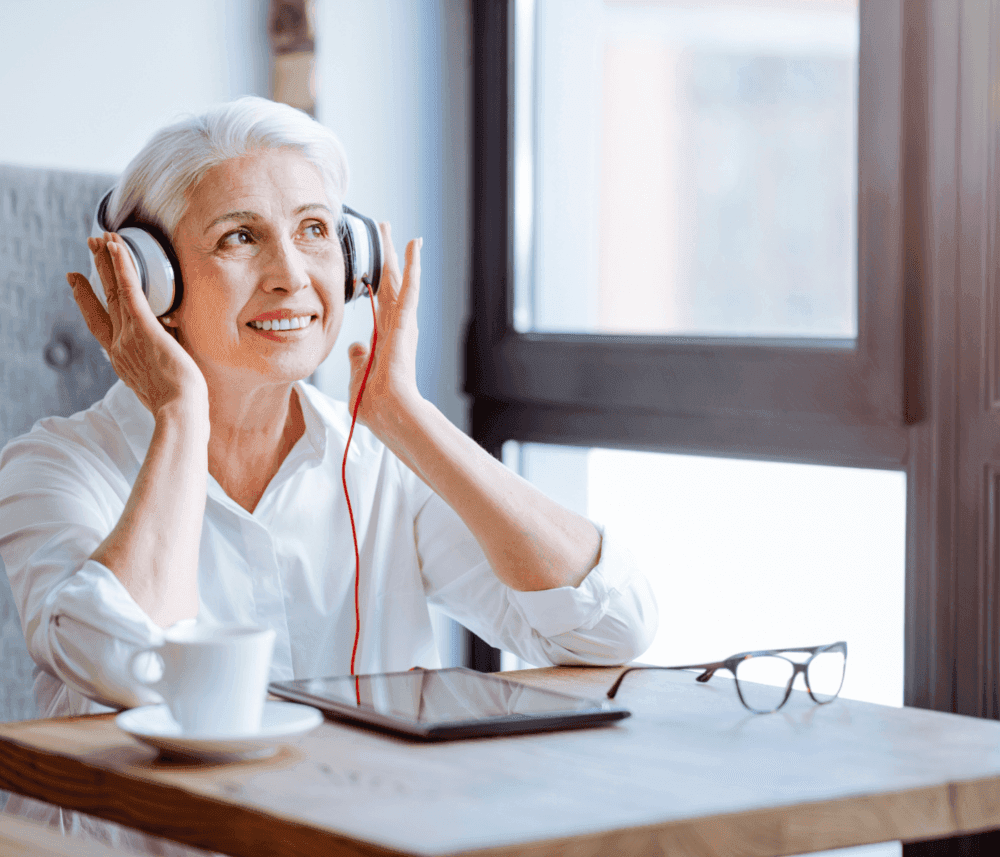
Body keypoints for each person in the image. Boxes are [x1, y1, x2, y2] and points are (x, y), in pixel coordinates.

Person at [0, 95, 656, 852]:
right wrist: (181, 415)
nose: (290, 275)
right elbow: (126, 665)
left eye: (314, 230)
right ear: (154, 283)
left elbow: (610, 627)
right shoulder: (51, 467)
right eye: (240, 236)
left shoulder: (378, 462)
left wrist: (409, 420)